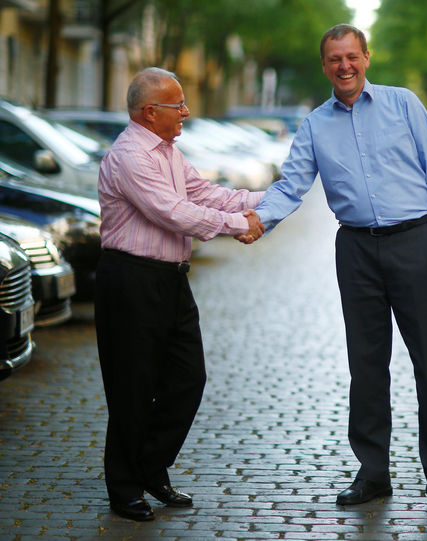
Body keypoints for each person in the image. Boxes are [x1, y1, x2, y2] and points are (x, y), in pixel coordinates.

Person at [250, 24, 427, 514]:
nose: (344, 66)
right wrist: (258, 221)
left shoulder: (404, 104)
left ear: (366, 58)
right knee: (366, 367)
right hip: (356, 251)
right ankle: (373, 474)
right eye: (334, 59)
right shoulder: (314, 125)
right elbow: (290, 186)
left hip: (415, 242)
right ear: (325, 66)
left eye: (352, 57)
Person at [94, 67, 266, 521]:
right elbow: (172, 212)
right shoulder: (131, 155)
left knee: (188, 380)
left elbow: (203, 193)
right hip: (131, 280)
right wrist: (238, 227)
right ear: (151, 112)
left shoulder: (168, 151)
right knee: (132, 387)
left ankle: (150, 467)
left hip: (170, 279)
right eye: (179, 105)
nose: (186, 112)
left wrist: (267, 200)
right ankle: (124, 488)